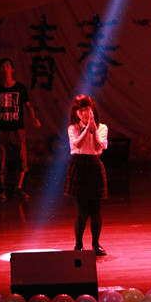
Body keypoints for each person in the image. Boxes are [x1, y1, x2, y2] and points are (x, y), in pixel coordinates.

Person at [0, 58, 41, 201]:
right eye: (2, 67)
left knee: (21, 158)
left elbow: (27, 105)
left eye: (7, 66)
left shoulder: (20, 87)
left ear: (12, 69)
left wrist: (32, 118)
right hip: (1, 129)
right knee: (0, 159)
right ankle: (2, 188)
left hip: (18, 129)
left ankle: (18, 187)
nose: (5, 68)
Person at [64, 95, 108, 256]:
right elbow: (77, 144)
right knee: (82, 212)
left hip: (95, 166)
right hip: (79, 165)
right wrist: (86, 128)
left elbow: (98, 146)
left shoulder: (102, 127)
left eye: (86, 109)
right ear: (75, 112)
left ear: (92, 109)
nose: (83, 112)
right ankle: (78, 245)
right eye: (80, 110)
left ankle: (96, 244)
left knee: (95, 211)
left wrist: (93, 129)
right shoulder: (73, 128)